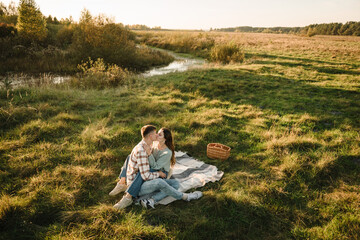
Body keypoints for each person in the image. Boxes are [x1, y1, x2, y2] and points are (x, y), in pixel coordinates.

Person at [110, 126, 202, 209]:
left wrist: (149, 155)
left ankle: (152, 200)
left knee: (175, 184)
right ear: (151, 136)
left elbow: (155, 166)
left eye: (159, 135)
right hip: (151, 172)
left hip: (158, 170)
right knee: (131, 157)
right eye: (156, 133)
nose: (157, 135)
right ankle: (126, 192)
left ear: (165, 139)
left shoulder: (167, 152)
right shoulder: (151, 145)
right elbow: (146, 171)